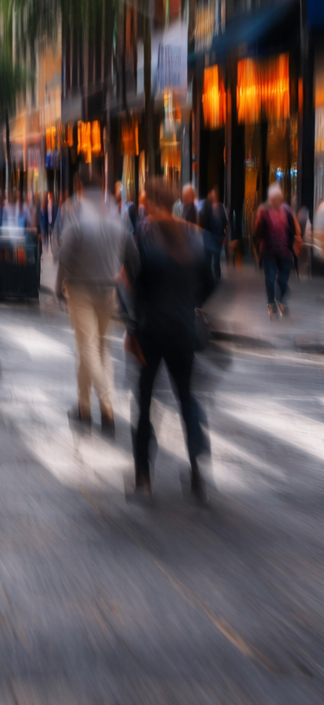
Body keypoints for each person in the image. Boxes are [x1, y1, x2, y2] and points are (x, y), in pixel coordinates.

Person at [124, 176, 216, 501]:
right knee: (186, 397)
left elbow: (136, 289)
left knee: (145, 401)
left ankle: (143, 479)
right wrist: (193, 303)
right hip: (182, 328)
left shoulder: (145, 237)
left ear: (151, 202)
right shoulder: (197, 237)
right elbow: (211, 280)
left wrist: (132, 329)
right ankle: (197, 475)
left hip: (151, 329)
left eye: (144, 197)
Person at [55, 173, 131, 434]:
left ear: (80, 188)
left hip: (80, 288)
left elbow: (64, 253)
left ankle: (107, 406)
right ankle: (84, 408)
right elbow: (126, 246)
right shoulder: (114, 211)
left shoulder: (73, 209)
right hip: (108, 288)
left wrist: (58, 287)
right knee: (100, 349)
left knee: (87, 349)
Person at [253, 182, 300, 318]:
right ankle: (271, 304)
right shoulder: (264, 211)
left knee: (283, 279)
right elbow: (258, 231)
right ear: (271, 199)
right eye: (275, 198)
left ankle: (279, 298)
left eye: (279, 198)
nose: (277, 200)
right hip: (269, 251)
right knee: (270, 278)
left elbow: (292, 227)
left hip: (285, 250)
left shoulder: (287, 209)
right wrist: (258, 247)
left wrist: (294, 242)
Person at [198, 187, 227, 284]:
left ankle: (217, 277)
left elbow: (224, 221)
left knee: (217, 259)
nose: (214, 197)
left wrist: (224, 234)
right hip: (209, 235)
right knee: (208, 258)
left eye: (215, 195)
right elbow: (203, 220)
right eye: (212, 195)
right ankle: (209, 278)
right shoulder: (207, 206)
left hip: (218, 236)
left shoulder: (221, 207)